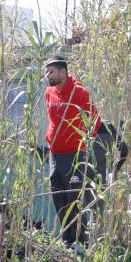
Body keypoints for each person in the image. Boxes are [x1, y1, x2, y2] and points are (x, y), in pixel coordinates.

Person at [44, 55, 100, 246]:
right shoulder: (49, 93)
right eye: (47, 70)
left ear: (63, 71)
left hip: (74, 155)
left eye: (52, 70)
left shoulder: (80, 93)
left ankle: (80, 240)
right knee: (59, 198)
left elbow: (94, 121)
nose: (48, 74)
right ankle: (68, 240)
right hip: (55, 154)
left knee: (74, 198)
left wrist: (79, 143)